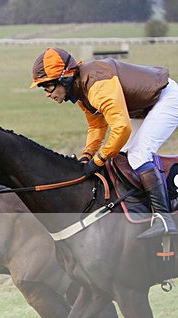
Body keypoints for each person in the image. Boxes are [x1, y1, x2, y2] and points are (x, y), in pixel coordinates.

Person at [31, 47, 178, 239]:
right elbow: (97, 127)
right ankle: (141, 206)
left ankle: (163, 218)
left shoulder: (96, 85)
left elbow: (122, 128)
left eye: (48, 86)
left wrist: (98, 159)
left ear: (64, 78)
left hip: (165, 99)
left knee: (139, 154)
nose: (47, 94)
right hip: (143, 107)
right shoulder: (80, 90)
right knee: (122, 157)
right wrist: (87, 156)